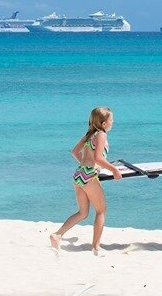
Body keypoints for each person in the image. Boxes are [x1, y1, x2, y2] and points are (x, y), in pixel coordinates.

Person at [50, 107, 123, 255]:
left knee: (83, 213)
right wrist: (114, 170)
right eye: (111, 120)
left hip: (79, 175)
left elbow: (75, 152)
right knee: (101, 210)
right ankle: (96, 247)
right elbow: (98, 159)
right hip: (89, 176)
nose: (112, 123)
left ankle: (57, 235)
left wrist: (85, 165)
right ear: (103, 123)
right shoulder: (101, 135)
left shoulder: (89, 134)